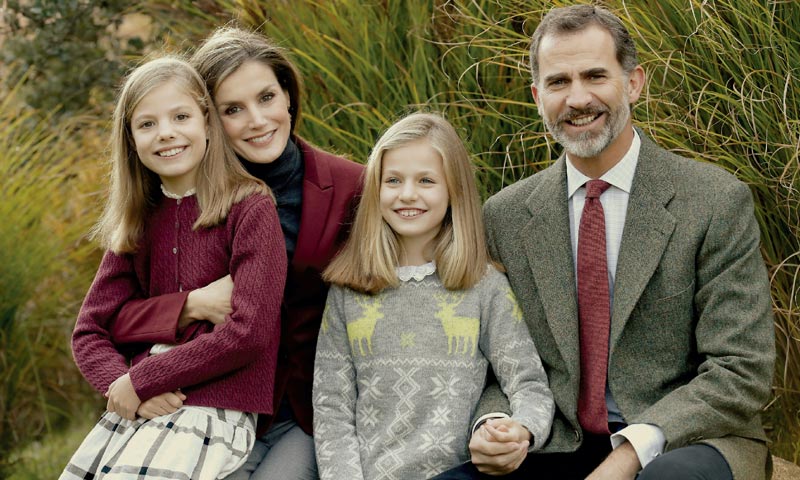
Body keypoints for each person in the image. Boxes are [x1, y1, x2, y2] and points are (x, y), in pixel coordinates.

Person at [433, 5, 775, 480]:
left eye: (595, 76)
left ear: (634, 82)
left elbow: (741, 368)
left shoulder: (714, 201)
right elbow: (498, 362)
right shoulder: (505, 215)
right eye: (558, 82)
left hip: (686, 440)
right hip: (555, 440)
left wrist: (629, 455)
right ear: (537, 95)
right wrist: (497, 424)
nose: (577, 99)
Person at [106, 27, 365, 479]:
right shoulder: (176, 199)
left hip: (307, 411)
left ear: (288, 96)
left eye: (267, 97)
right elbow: (109, 318)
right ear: (207, 117)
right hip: (198, 402)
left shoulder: (353, 187)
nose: (257, 120)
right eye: (233, 109)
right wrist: (187, 307)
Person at [61, 56, 286, 479]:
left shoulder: (249, 208)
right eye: (146, 124)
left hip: (215, 409)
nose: (166, 133)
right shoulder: (138, 220)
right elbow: (90, 330)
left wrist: (143, 378)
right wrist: (126, 386)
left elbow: (248, 332)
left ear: (206, 121)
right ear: (130, 139)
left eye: (180, 116)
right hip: (143, 408)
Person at [312, 112, 555, 479]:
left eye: (426, 180)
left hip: (457, 473)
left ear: (454, 191)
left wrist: (519, 430)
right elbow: (332, 407)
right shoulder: (349, 291)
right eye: (393, 180)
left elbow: (528, 383)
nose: (407, 194)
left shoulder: (483, 285)